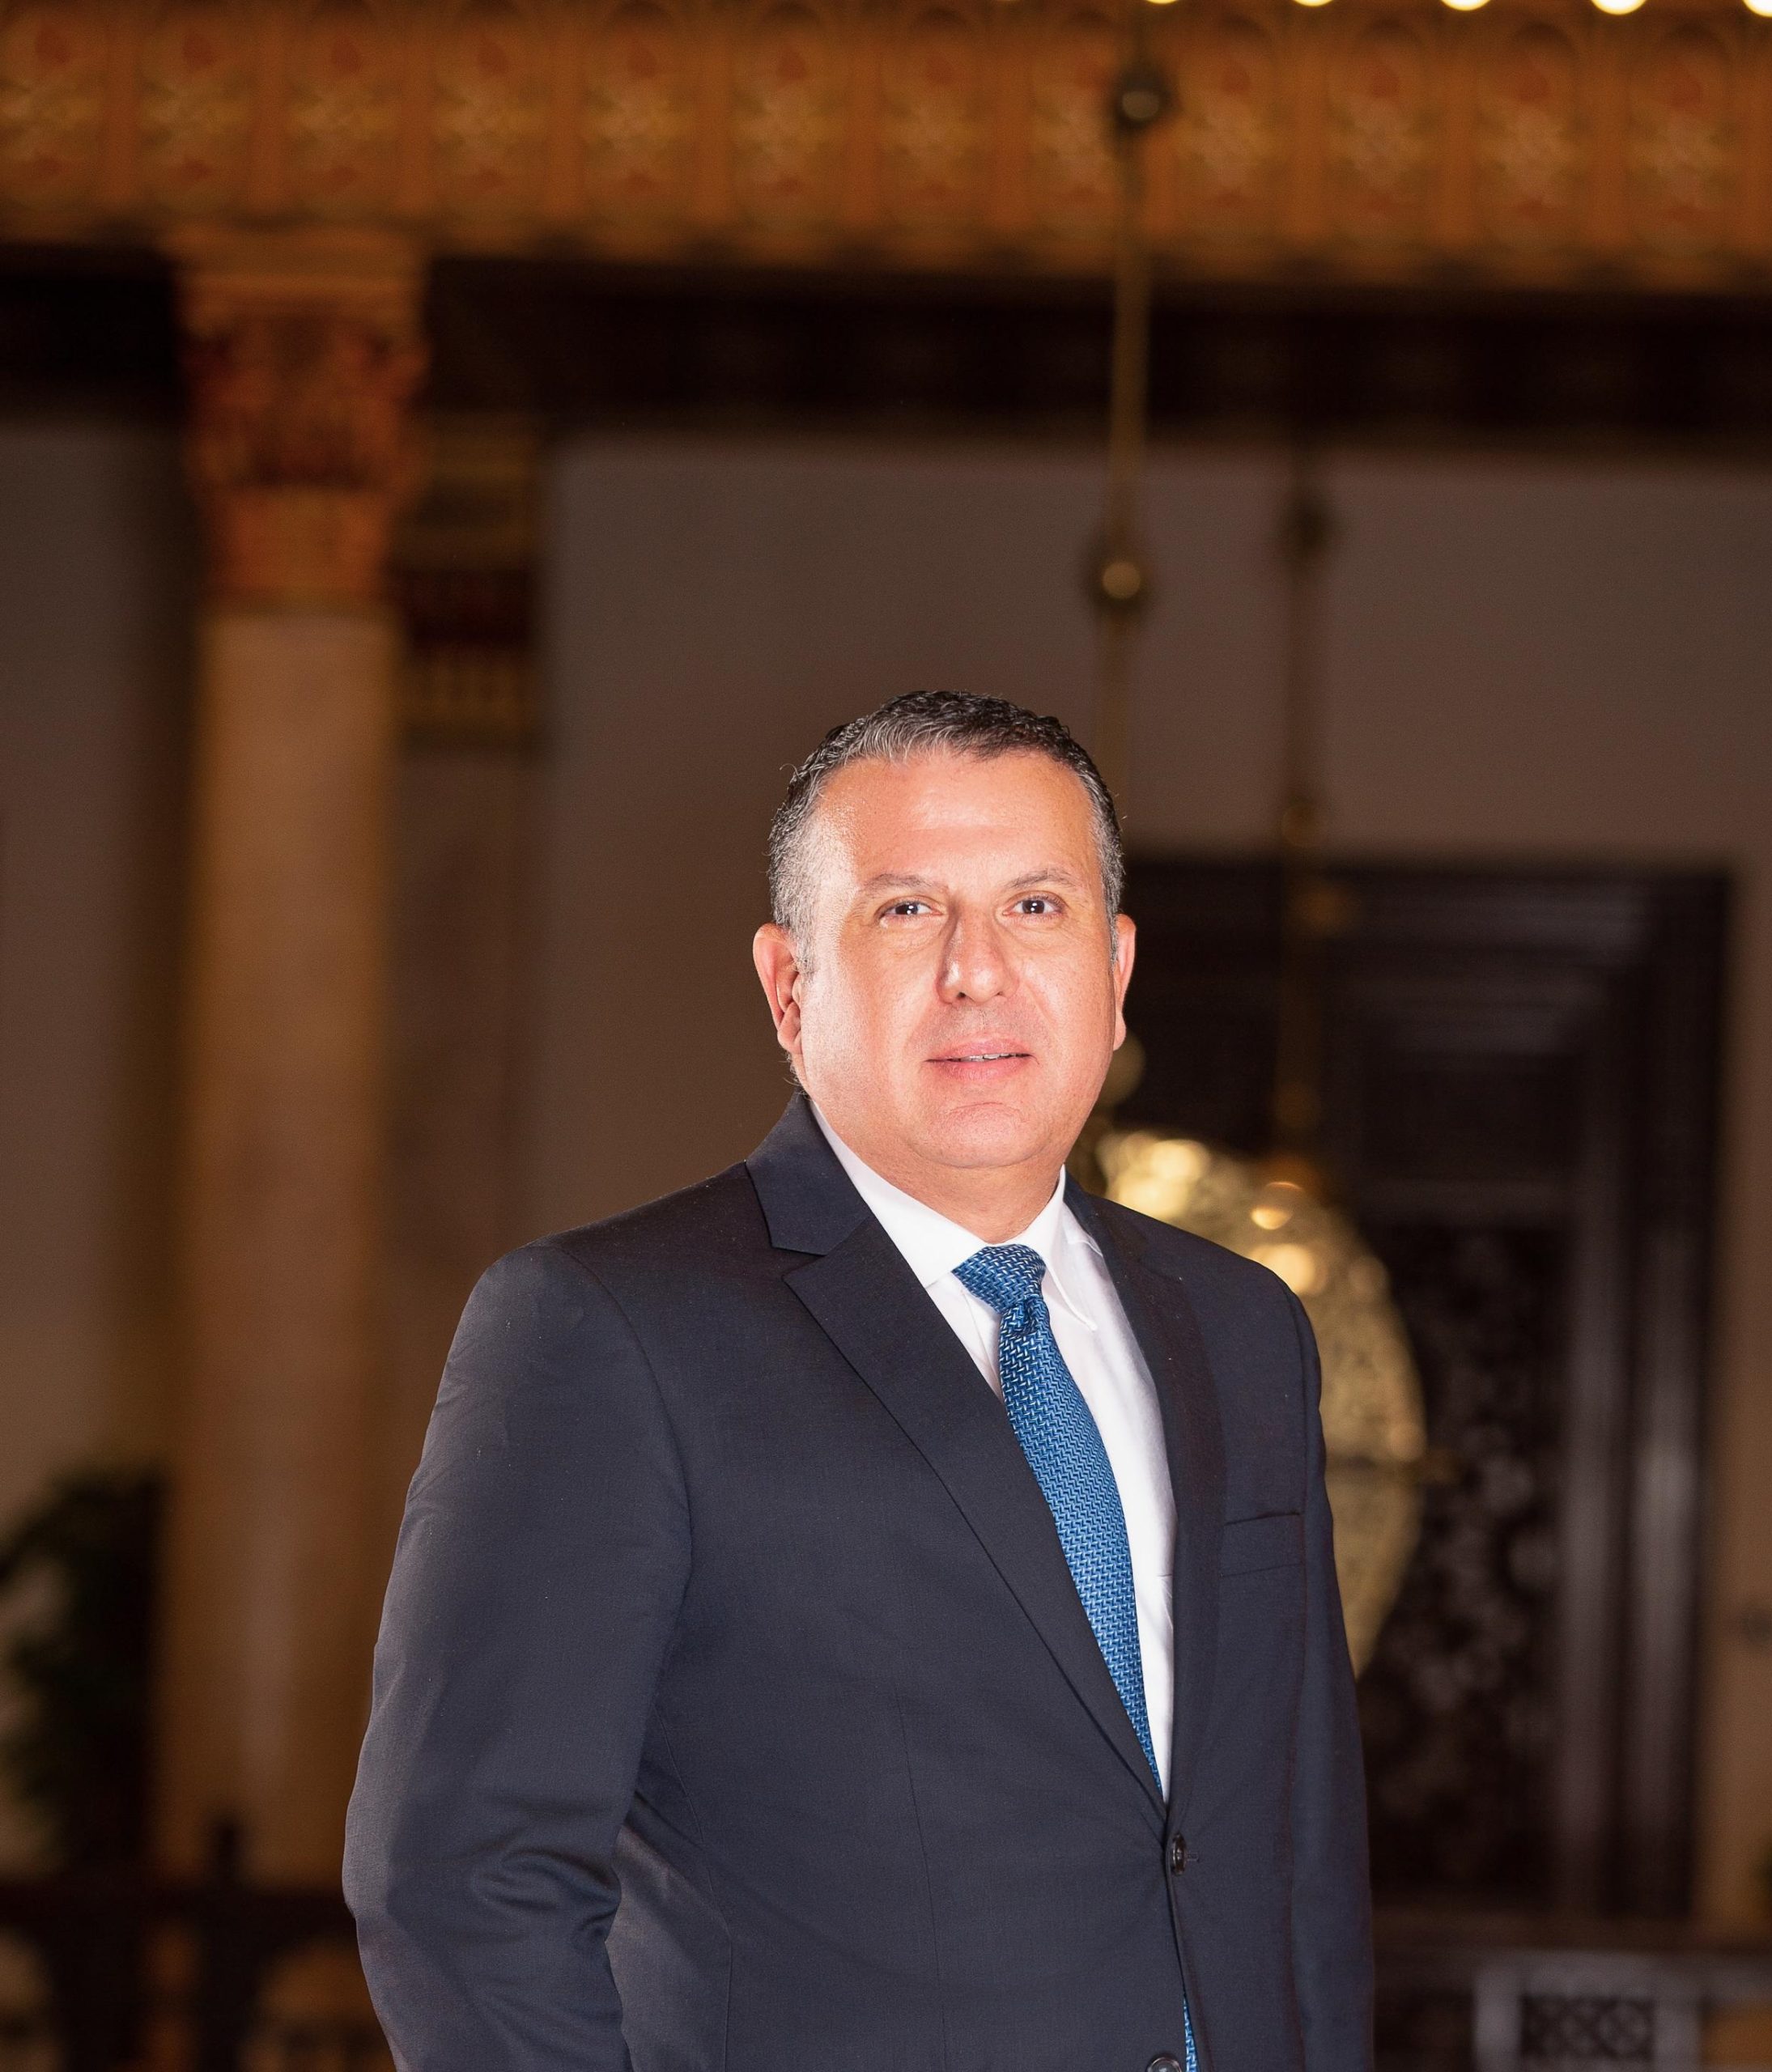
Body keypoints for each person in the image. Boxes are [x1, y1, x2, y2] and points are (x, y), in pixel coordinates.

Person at [344, 691, 1372, 2072]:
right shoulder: (603, 1332)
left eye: (1036, 908)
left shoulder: (1243, 1330)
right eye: (906, 911)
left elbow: (1301, 1855)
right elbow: (466, 1884)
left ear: (1117, 967)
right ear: (789, 986)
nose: (978, 972)